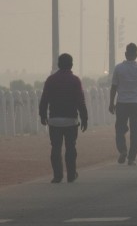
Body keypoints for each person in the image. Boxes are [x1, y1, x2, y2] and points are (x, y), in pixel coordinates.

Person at [39, 53, 88, 183]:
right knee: (71, 147)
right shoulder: (75, 80)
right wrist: (85, 118)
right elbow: (80, 101)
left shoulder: (51, 80)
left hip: (54, 120)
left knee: (55, 147)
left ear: (58, 65)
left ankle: (57, 175)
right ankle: (71, 174)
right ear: (71, 65)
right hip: (71, 120)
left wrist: (42, 115)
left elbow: (44, 99)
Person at [108, 42, 137, 166]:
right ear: (136, 55)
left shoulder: (118, 68)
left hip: (122, 103)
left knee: (120, 129)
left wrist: (111, 103)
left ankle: (122, 150)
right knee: (136, 132)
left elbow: (114, 87)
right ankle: (132, 158)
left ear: (126, 54)